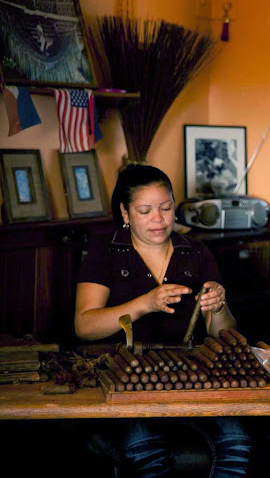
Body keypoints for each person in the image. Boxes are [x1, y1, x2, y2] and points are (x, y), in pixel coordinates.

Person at [75, 164, 251, 478]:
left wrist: (219, 306)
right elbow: (85, 326)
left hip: (194, 378)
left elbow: (224, 333)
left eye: (166, 208)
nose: (158, 218)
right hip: (126, 381)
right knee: (143, 447)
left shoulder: (195, 251)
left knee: (237, 442)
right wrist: (145, 303)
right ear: (125, 213)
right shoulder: (106, 252)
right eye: (145, 210)